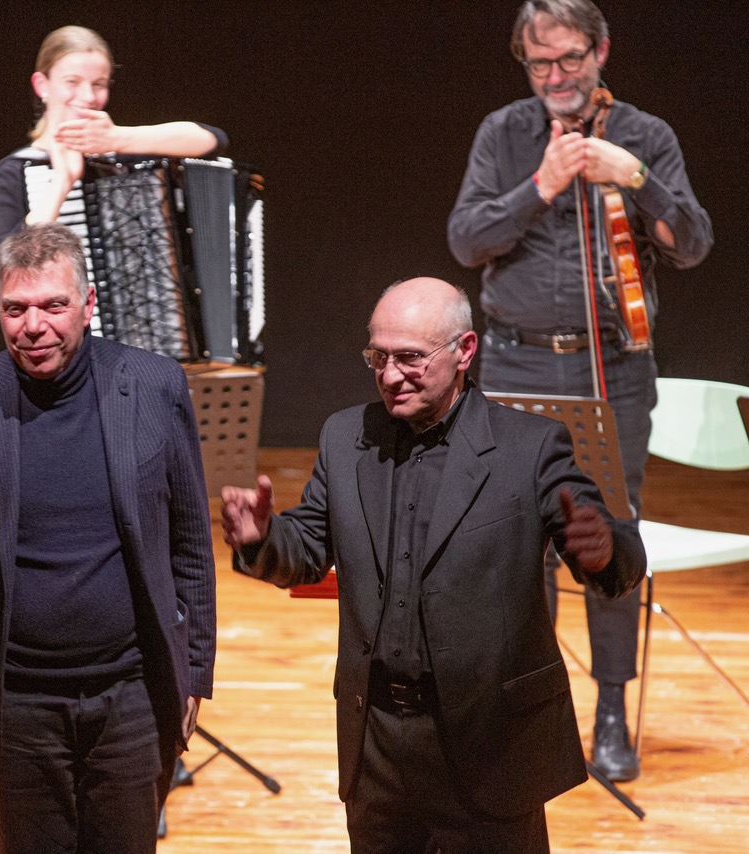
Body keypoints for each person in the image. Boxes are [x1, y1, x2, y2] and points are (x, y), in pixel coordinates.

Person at [222, 278, 646, 852]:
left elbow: (615, 562)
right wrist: (262, 537)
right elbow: (306, 548)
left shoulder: (530, 446)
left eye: (411, 358)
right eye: (379, 356)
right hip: (377, 746)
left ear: (465, 351)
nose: (391, 375)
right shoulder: (346, 436)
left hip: (488, 742)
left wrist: (605, 551)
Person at [447, 0, 712, 782]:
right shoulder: (504, 135)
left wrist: (635, 177)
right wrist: (541, 185)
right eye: (540, 64)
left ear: (601, 52)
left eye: (569, 59)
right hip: (515, 367)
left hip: (614, 371)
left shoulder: (647, 135)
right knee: (514, 545)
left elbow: (692, 243)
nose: (555, 77)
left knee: (603, 536)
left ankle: (608, 714)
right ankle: (529, 706)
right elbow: (467, 239)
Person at [0, 223, 216, 852]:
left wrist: (194, 670)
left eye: (53, 305)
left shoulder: (155, 386)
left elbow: (190, 542)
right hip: (15, 706)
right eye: (15, 309)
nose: (33, 326)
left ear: (88, 304)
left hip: (132, 696)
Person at [0, 24, 227, 267]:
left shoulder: (124, 157)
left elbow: (212, 140)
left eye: (98, 84)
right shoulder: (14, 171)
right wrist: (61, 182)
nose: (89, 96)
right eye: (72, 81)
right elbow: (8, 268)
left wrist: (117, 139)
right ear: (42, 85)